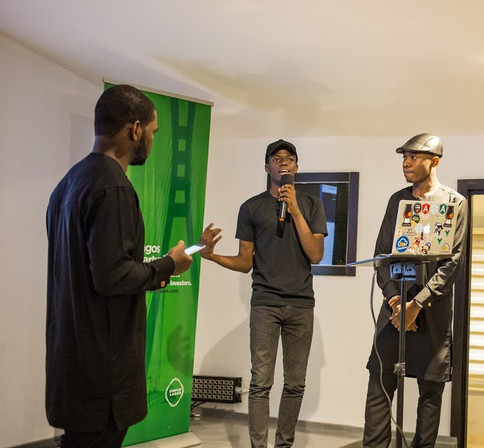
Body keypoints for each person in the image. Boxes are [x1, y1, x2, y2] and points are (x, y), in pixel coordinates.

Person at [46, 84, 193, 447]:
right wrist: (169, 266)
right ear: (135, 129)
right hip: (103, 379)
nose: (153, 141)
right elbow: (113, 276)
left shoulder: (68, 184)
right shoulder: (114, 187)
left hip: (71, 363)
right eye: (154, 131)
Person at [199, 139, 327, 448]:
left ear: (296, 167)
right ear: (266, 166)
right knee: (260, 383)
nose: (283, 162)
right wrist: (212, 255)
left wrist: (295, 211)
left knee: (295, 384)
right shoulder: (252, 207)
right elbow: (245, 262)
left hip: (301, 305)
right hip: (265, 305)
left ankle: (284, 444)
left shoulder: (311, 204)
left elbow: (316, 254)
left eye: (290, 158)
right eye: (276, 158)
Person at [363, 133, 468, 448]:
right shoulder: (398, 200)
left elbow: (453, 264)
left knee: (431, 388)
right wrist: (397, 301)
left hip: (432, 311)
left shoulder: (454, 202)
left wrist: (417, 305)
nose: (406, 163)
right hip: (394, 309)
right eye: (403, 157)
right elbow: (382, 256)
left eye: (413, 157)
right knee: (380, 382)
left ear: (433, 161)